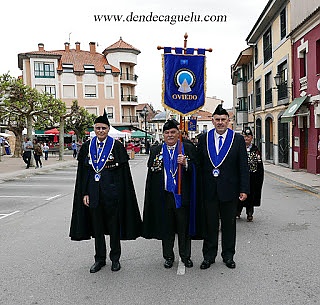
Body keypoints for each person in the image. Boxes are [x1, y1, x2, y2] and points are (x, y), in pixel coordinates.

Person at [69, 110, 142, 273]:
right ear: (94, 129)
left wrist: (121, 194)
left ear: (108, 129)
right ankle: (99, 259)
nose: (100, 131)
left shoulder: (116, 146)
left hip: (112, 195)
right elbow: (84, 174)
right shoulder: (87, 146)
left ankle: (115, 258)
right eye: (97, 128)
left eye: (103, 128)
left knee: (114, 228)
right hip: (93, 195)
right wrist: (84, 194)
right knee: (97, 228)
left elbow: (123, 175)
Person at [197, 104, 249, 270]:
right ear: (212, 121)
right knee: (210, 225)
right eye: (217, 119)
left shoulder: (237, 139)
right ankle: (208, 256)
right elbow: (199, 165)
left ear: (229, 121)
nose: (220, 122)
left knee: (228, 225)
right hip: (209, 190)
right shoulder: (203, 139)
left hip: (230, 190)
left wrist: (244, 189)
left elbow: (243, 166)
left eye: (223, 120)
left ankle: (228, 256)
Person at [142, 119, 198, 269]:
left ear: (178, 133)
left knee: (183, 228)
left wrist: (186, 163)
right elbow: (151, 177)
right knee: (166, 228)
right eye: (167, 132)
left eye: (173, 132)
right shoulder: (156, 150)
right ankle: (168, 256)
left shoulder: (187, 148)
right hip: (164, 196)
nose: (170, 135)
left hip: (182, 195)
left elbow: (197, 170)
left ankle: (185, 256)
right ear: (163, 135)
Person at [237, 128, 264, 222]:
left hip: (252, 176)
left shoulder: (255, 150)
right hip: (240, 176)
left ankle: (249, 213)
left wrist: (259, 178)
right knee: (239, 195)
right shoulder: (238, 148)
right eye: (244, 136)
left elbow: (259, 165)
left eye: (248, 136)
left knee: (251, 196)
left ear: (252, 138)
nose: (246, 138)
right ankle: (237, 211)